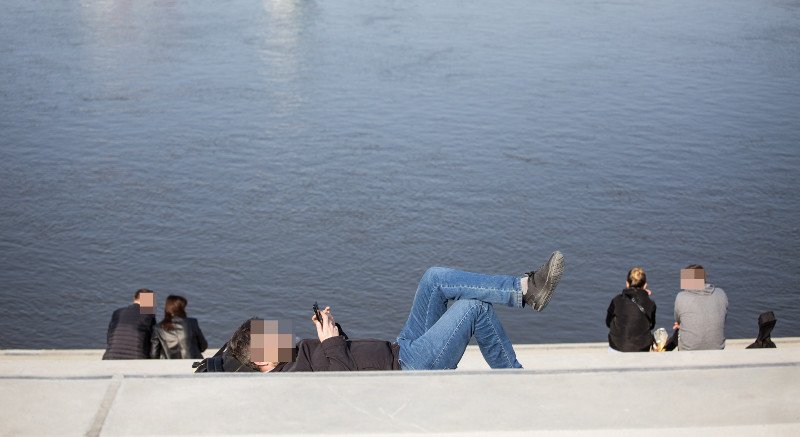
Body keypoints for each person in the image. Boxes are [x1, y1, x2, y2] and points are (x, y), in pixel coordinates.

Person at [197, 251, 565, 372]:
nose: (279, 331)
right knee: (473, 309)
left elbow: (228, 356)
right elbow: (347, 387)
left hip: (400, 347)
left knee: (434, 277)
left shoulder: (289, 356)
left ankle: (524, 290)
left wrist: (331, 329)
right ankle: (515, 378)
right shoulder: (289, 380)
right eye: (270, 335)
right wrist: (330, 343)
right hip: (408, 367)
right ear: (264, 362)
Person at [673, 264, 728, 350]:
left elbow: (677, 320)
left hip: (688, 351)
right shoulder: (721, 293)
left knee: (679, 333)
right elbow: (723, 317)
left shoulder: (681, 297)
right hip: (717, 349)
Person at [605, 266, 656, 352]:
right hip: (641, 348)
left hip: (617, 346)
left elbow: (608, 323)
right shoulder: (650, 304)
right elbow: (652, 326)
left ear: (627, 284)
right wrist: (644, 298)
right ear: (645, 285)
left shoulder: (616, 300)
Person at [102, 288, 156, 359]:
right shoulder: (149, 315)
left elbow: (109, 336)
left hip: (110, 356)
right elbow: (152, 341)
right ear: (148, 302)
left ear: (134, 298)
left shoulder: (117, 312)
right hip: (136, 357)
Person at [151, 295, 209, 359]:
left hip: (170, 365)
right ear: (182, 309)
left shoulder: (158, 328)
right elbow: (203, 346)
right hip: (192, 363)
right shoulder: (192, 322)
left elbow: (154, 354)